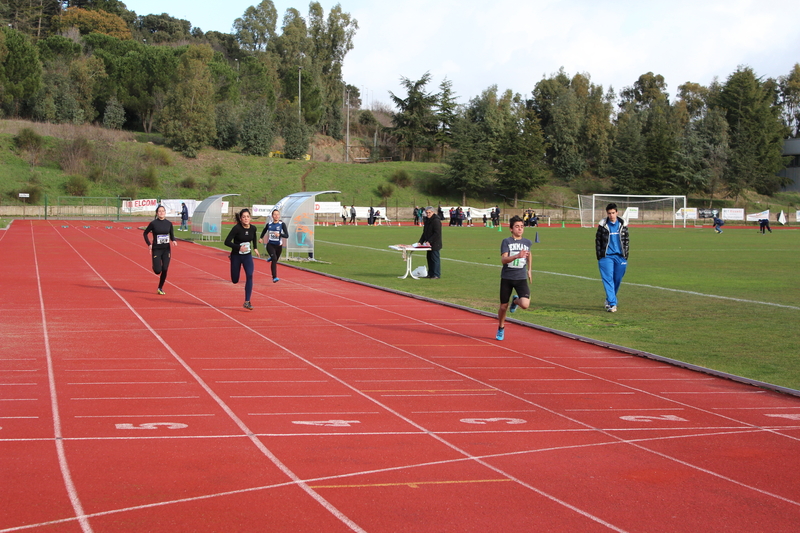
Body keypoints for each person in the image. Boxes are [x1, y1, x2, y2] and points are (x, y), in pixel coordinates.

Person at [496, 216, 532, 341]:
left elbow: (529, 254)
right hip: (507, 277)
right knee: (503, 307)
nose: (520, 229)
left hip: (521, 277)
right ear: (511, 229)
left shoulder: (527, 242)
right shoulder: (506, 242)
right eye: (517, 226)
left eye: (522, 226)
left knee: (525, 304)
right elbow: (504, 260)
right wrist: (517, 256)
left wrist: (529, 270)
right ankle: (501, 327)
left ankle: (515, 301)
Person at [595, 203, 629, 313]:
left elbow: (626, 241)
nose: (611, 215)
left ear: (617, 213)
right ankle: (612, 304)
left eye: (613, 213)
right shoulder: (603, 225)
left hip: (620, 257)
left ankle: (609, 299)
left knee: (617, 280)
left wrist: (626, 255)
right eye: (609, 213)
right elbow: (598, 241)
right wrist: (600, 256)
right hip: (606, 257)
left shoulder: (622, 224)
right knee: (608, 279)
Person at [224, 208, 260, 310]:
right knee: (235, 280)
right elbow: (226, 242)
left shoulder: (253, 228)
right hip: (236, 256)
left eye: (247, 217)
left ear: (250, 218)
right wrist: (238, 247)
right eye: (244, 217)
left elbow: (253, 238)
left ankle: (247, 301)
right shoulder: (236, 228)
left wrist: (255, 248)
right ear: (240, 219)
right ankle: (231, 259)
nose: (246, 219)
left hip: (247, 256)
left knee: (249, 274)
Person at [143, 205, 177, 295]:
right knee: (158, 271)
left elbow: (171, 234)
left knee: (165, 268)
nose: (161, 213)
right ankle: (155, 265)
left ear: (165, 212)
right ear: (157, 213)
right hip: (157, 249)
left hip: (166, 249)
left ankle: (160, 287)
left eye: (163, 211)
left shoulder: (169, 223)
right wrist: (149, 244)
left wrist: (173, 240)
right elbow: (145, 233)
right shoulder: (153, 223)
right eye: (159, 211)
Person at [259, 209, 289, 283]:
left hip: (279, 246)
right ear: (272, 216)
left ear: (279, 216)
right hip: (270, 245)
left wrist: (280, 234)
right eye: (274, 214)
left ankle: (271, 258)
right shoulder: (269, 224)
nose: (276, 216)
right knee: (274, 259)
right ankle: (274, 277)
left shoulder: (282, 224)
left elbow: (287, 235)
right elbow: (264, 230)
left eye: (277, 214)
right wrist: (261, 238)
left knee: (275, 259)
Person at [418, 205, 442, 279]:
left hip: (435, 243)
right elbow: (425, 232)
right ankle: (430, 273)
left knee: (435, 259)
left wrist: (429, 241)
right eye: (426, 212)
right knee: (429, 258)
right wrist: (420, 242)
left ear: (433, 212)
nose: (428, 214)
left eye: (429, 212)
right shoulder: (427, 220)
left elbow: (437, 233)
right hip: (428, 244)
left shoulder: (436, 220)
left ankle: (436, 274)